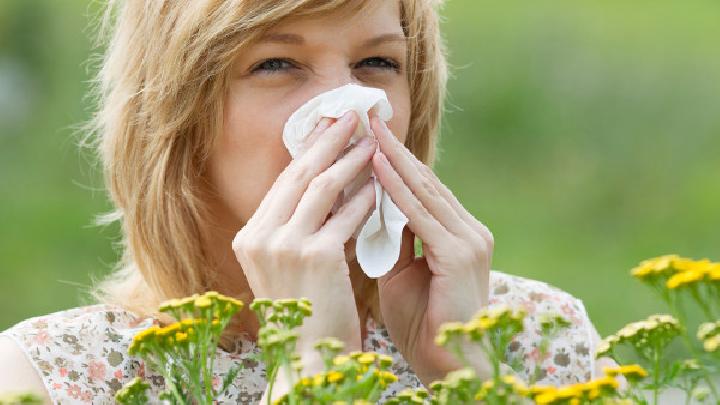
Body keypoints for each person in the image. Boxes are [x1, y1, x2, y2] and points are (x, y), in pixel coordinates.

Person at [0, 0, 618, 403]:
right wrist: (314, 380)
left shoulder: (537, 337)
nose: (349, 110)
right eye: (277, 64)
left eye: (377, 62)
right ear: (177, 116)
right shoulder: (54, 378)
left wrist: (469, 383)